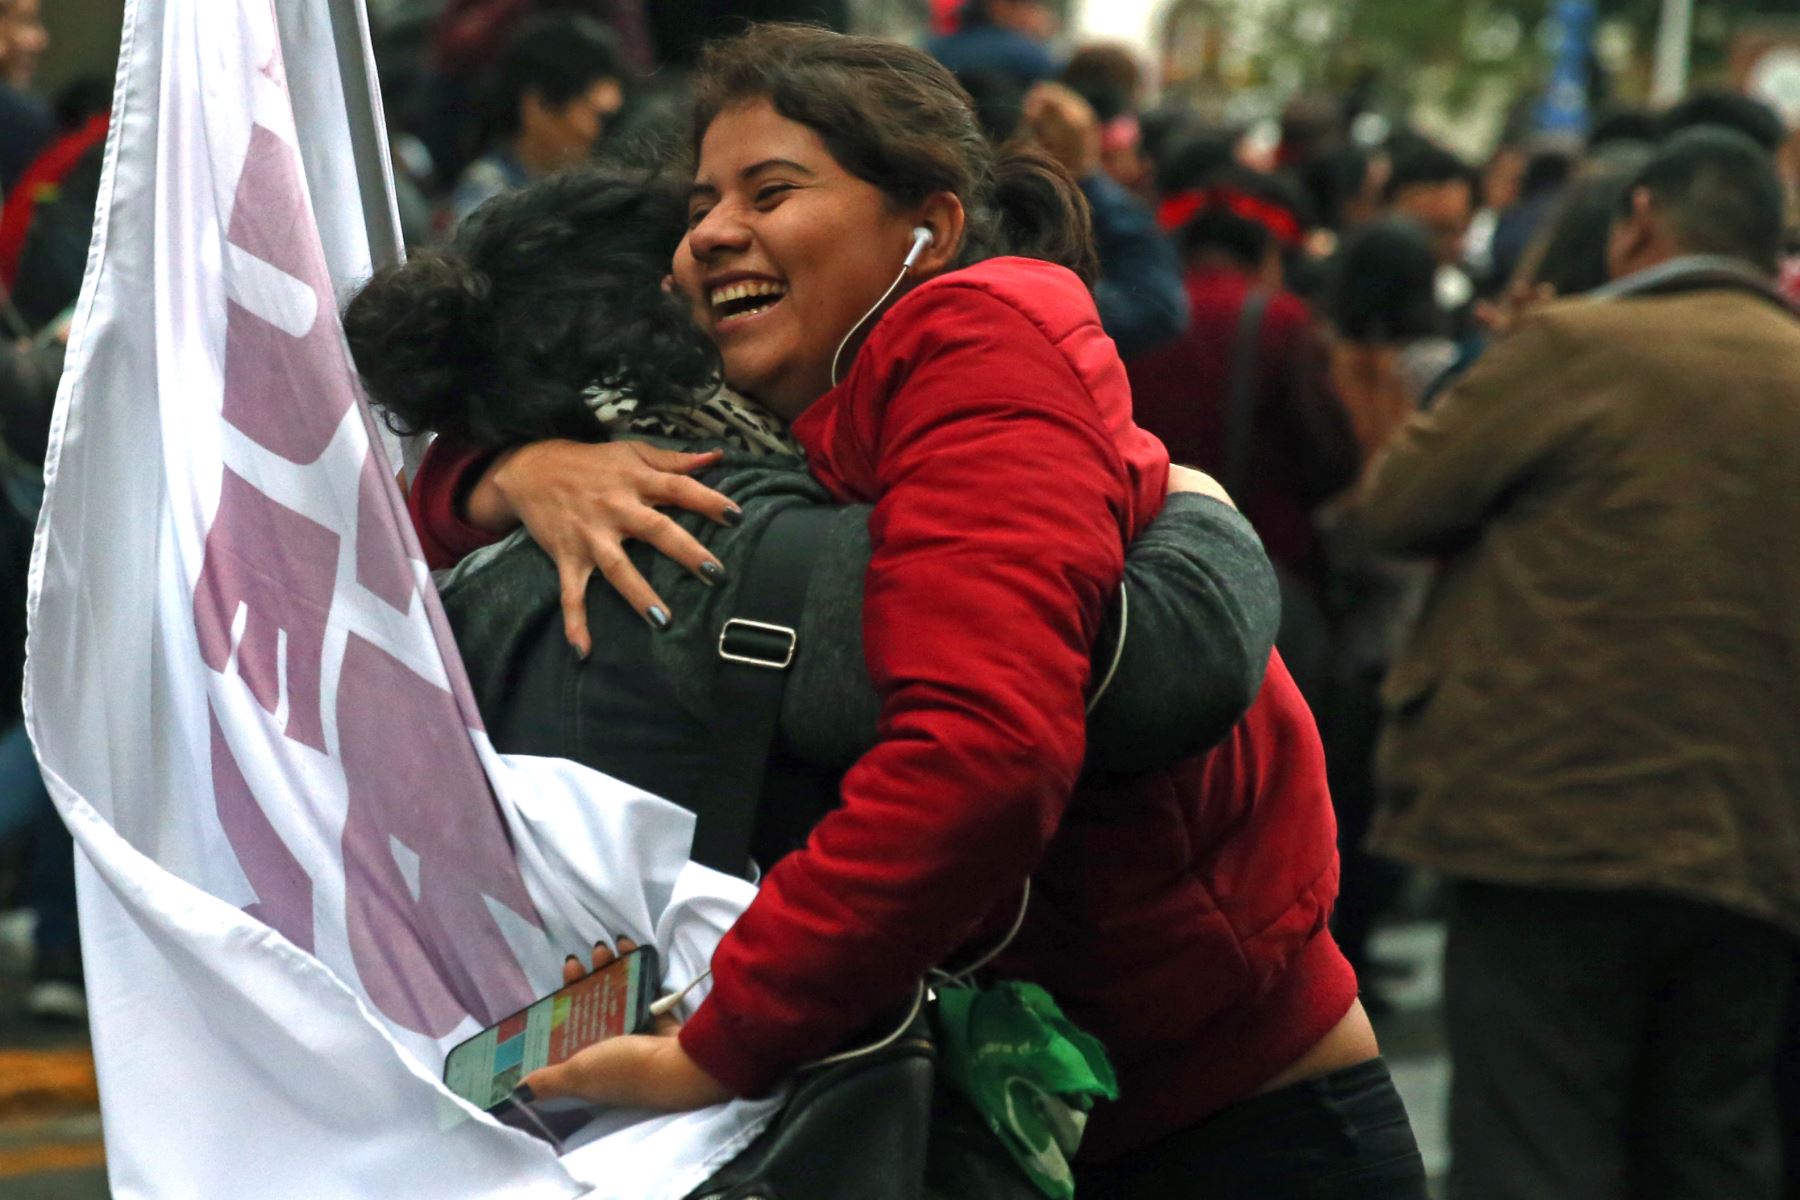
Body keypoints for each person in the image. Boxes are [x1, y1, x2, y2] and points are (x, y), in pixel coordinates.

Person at [405, 25, 1423, 1196]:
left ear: (926, 229)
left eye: (771, 191)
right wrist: (505, 476)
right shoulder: (770, 411)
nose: (714, 232)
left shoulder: (977, 336)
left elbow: (986, 748)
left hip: (1236, 1122)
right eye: (701, 205)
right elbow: (410, 522)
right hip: (1026, 1119)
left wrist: (725, 1036)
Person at [1345, 127, 1800, 1200]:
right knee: (1712, 1143)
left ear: (1639, 220)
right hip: (1756, 834)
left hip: (1548, 825)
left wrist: (1501, 363)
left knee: (1536, 1143)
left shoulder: (1570, 347)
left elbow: (1395, 506)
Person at [1127, 162, 1360, 702]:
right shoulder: (1280, 320)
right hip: (1256, 576)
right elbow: (1331, 458)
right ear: (1268, 257)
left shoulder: (1134, 317)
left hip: (1135, 574)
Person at [447, 13, 627, 229]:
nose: (597, 131)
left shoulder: (603, 187)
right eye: (595, 115)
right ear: (539, 105)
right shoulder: (487, 196)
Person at [925, 0, 1057, 88]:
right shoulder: (1026, 55)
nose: (1034, 14)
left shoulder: (936, 49)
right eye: (1029, 5)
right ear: (1000, 5)